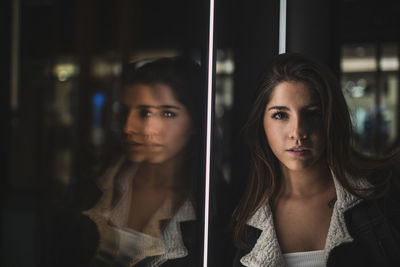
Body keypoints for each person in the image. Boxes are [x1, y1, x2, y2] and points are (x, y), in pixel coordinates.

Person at [232, 53, 400, 267]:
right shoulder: (242, 214)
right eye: (280, 115)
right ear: (261, 122)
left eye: (312, 113)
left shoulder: (381, 196)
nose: (298, 132)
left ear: (330, 118)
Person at [44, 57, 205, 267]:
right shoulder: (94, 183)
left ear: (197, 121)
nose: (130, 128)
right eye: (127, 111)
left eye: (166, 113)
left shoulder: (208, 206)